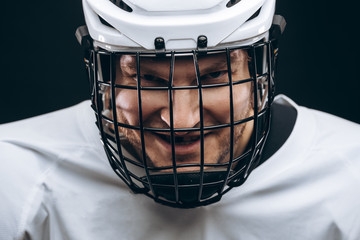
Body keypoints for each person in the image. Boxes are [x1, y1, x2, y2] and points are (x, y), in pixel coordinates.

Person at [1, 0, 359, 239]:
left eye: (215, 76)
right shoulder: (17, 177)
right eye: (149, 79)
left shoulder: (349, 181)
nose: (183, 121)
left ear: (259, 75)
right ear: (104, 82)